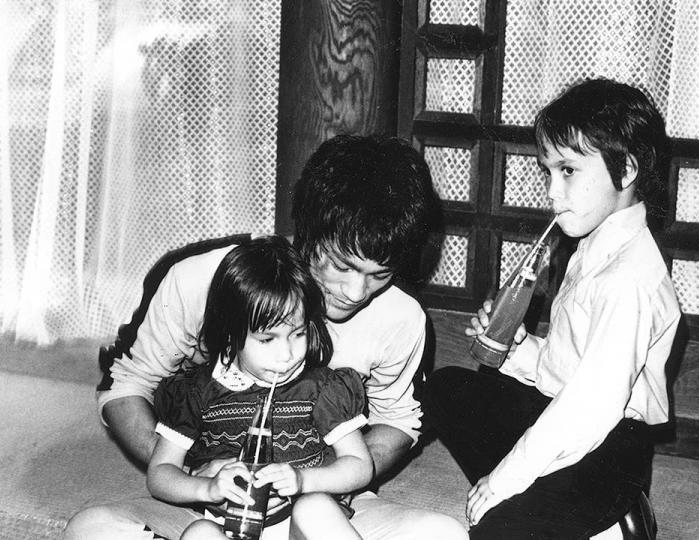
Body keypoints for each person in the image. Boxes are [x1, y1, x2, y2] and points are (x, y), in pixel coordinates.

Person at [65, 134, 466, 539]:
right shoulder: (205, 279)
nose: (356, 293)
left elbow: (397, 422)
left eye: (379, 275)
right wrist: (196, 477)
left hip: (327, 508)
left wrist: (321, 477)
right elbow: (127, 384)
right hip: (207, 513)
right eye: (341, 266)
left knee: (443, 532)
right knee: (91, 529)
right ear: (307, 231)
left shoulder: (401, 317)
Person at [422, 78, 681, 539]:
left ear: (626, 172)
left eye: (568, 171)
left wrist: (504, 481)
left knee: (495, 530)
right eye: (549, 172)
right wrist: (514, 348)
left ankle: (618, 516)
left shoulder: (629, 278)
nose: (553, 193)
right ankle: (577, 511)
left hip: (610, 444)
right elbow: (567, 366)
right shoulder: (591, 242)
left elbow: (588, 407)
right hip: (565, 412)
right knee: (446, 389)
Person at [147, 236, 371, 540]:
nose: (287, 353)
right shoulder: (197, 392)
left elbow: (359, 465)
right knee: (199, 533)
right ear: (230, 333)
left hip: (296, 527)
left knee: (315, 508)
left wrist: (303, 480)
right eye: (267, 339)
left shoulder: (321, 388)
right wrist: (207, 488)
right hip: (228, 528)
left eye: (298, 333)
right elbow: (160, 474)